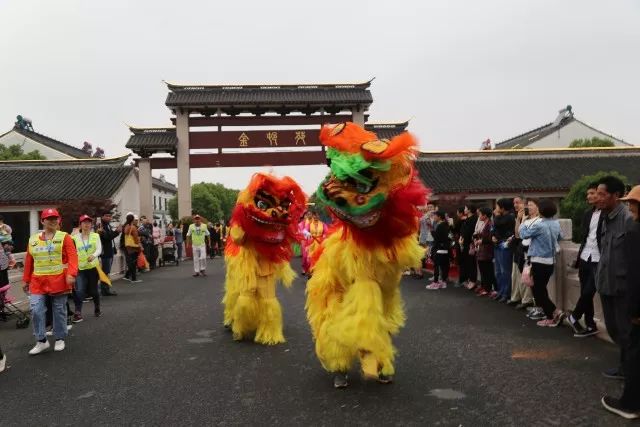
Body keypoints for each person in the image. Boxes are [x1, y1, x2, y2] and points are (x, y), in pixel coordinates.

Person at [601, 185, 640, 419]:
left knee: (635, 353)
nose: (629, 206)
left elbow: (636, 275)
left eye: (633, 202)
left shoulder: (635, 231)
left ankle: (630, 404)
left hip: (636, 303)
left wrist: (635, 310)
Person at [22, 208, 78, 355]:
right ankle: (41, 341)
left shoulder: (65, 237)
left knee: (59, 309)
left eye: (55, 218)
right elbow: (29, 261)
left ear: (58, 220)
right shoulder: (33, 240)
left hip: (58, 279)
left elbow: (73, 257)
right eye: (49, 218)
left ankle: (60, 338)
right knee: (36, 309)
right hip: (37, 281)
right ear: (42, 221)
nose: (53, 221)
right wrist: (25, 280)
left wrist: (71, 274)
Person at [595, 176, 634, 381]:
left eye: (602, 194)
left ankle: (630, 372)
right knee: (613, 328)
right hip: (606, 283)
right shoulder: (604, 216)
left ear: (616, 196)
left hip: (622, 286)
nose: (597, 198)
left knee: (625, 331)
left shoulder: (628, 219)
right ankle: (625, 367)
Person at [565, 183, 604, 337]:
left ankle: (574, 316)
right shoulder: (588, 214)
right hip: (585, 256)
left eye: (592, 193)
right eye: (588, 193)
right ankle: (590, 324)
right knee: (584, 291)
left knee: (589, 290)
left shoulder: (607, 214)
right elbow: (585, 237)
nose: (589, 196)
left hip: (598, 258)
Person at [518, 199, 563, 327]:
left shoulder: (539, 225)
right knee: (541, 290)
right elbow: (561, 237)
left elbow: (523, 234)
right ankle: (552, 313)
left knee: (538, 291)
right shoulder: (556, 224)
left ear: (541, 211)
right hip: (550, 261)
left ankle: (554, 314)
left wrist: (522, 221)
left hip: (538, 261)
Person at [72, 215, 102, 321]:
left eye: (88, 222)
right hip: (80, 268)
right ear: (80, 225)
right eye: (84, 222)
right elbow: (70, 250)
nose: (86, 224)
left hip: (93, 267)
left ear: (91, 224)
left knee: (93, 291)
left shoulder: (95, 236)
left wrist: (93, 255)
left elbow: (99, 249)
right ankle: (78, 312)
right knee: (80, 291)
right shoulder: (75, 237)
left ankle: (97, 307)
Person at [510, 198, 536, 310]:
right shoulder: (522, 217)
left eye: (518, 203)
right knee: (516, 276)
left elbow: (522, 235)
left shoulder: (535, 220)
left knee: (526, 276)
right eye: (514, 203)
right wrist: (519, 219)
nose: (516, 205)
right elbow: (516, 234)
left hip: (528, 251)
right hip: (519, 249)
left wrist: (524, 220)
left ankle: (527, 300)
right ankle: (517, 297)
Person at [492, 198, 516, 303]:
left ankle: (506, 293)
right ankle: (500, 291)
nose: (496, 208)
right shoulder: (500, 217)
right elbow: (494, 228)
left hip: (505, 245)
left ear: (502, 207)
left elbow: (498, 224)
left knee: (505, 271)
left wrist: (496, 215)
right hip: (497, 244)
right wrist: (493, 236)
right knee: (498, 271)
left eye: (497, 206)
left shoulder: (510, 217)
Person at [96, 211, 120, 296]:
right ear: (102, 216)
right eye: (107, 216)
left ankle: (105, 289)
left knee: (107, 271)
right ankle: (104, 290)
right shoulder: (101, 225)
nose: (109, 218)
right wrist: (117, 232)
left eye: (110, 216)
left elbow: (109, 236)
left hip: (109, 250)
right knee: (105, 271)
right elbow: (107, 237)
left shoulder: (107, 225)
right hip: (105, 252)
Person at [426, 210, 451, 290]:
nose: (434, 217)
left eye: (435, 216)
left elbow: (437, 237)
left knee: (437, 265)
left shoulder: (441, 225)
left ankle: (436, 282)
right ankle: (443, 282)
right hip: (445, 248)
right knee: (443, 266)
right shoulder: (445, 224)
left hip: (439, 248)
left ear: (439, 217)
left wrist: (431, 229)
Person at [474, 207, 495, 297]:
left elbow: (490, 238)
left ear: (485, 215)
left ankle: (488, 288)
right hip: (482, 249)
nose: (479, 216)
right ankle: (484, 286)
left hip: (487, 250)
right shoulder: (484, 223)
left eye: (480, 214)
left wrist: (481, 241)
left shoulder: (490, 224)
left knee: (487, 270)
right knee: (483, 269)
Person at [461, 204, 479, 290]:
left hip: (470, 243)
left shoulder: (474, 219)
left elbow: (469, 232)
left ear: (470, 210)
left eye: (465, 208)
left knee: (471, 262)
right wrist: (461, 237)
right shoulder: (467, 219)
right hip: (465, 242)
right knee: (467, 262)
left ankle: (473, 280)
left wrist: (463, 237)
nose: (464, 209)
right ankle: (469, 279)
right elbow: (463, 231)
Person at [122, 214, 143, 283]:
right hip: (134, 246)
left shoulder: (126, 227)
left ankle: (127, 275)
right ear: (132, 220)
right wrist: (140, 245)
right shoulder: (133, 228)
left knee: (131, 261)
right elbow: (136, 238)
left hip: (128, 245)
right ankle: (133, 278)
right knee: (133, 262)